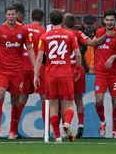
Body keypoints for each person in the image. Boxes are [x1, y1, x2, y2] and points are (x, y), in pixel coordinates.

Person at [0, 6, 35, 140]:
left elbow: (30, 49)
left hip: (17, 70)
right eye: (8, 14)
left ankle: (13, 131)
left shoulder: (23, 30)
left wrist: (35, 65)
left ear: (17, 15)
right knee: (0, 95)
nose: (11, 16)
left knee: (15, 101)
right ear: (6, 15)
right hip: (1, 69)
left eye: (13, 14)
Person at [33, 9, 81, 144]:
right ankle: (67, 123)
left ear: (49, 21)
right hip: (65, 74)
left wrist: (36, 74)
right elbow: (78, 54)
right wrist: (77, 69)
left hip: (50, 74)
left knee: (53, 105)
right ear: (63, 22)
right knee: (69, 103)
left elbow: (39, 57)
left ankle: (58, 137)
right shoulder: (69, 35)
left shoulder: (44, 36)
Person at [63, 13, 110, 139]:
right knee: (78, 99)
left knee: (63, 100)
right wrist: (105, 35)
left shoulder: (59, 34)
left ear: (64, 23)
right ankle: (81, 125)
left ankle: (64, 127)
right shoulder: (78, 34)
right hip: (78, 70)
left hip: (63, 70)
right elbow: (93, 43)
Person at [94, 10, 116, 139]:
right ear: (103, 20)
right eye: (107, 20)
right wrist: (105, 36)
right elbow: (93, 44)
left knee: (115, 102)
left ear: (115, 21)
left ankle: (115, 131)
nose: (109, 22)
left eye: (112, 20)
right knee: (98, 100)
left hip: (115, 74)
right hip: (101, 73)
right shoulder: (99, 32)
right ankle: (102, 122)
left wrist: (114, 56)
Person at [13, 8, 46, 138]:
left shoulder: (23, 29)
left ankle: (13, 130)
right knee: (44, 98)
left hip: (23, 67)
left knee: (22, 99)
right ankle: (46, 132)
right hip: (37, 67)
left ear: (31, 17)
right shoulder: (43, 32)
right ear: (42, 19)